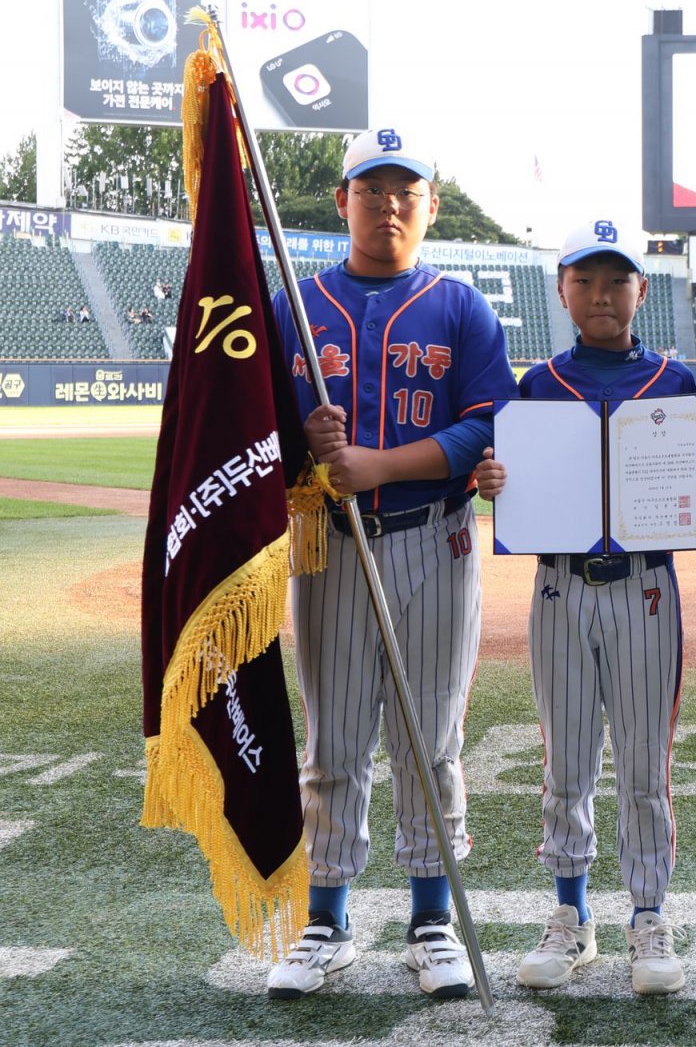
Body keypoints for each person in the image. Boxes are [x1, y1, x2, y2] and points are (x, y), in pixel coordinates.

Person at [264, 126, 516, 1001]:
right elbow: (248, 422)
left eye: (406, 190)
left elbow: (488, 423)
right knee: (333, 737)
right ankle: (326, 921)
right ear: (342, 202)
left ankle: (431, 919)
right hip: (327, 542)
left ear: (430, 205)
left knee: (430, 738)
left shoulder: (460, 305)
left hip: (432, 535)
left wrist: (381, 461)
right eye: (371, 189)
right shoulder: (293, 303)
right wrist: (302, 439)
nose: (389, 205)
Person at [472, 219, 696, 996]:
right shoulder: (537, 386)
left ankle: (649, 915)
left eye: (617, 280)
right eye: (585, 280)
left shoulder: (678, 386)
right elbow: (515, 484)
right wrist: (494, 484)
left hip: (646, 584)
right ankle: (570, 914)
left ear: (640, 291)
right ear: (563, 290)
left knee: (645, 764)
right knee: (567, 762)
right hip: (558, 584)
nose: (602, 294)